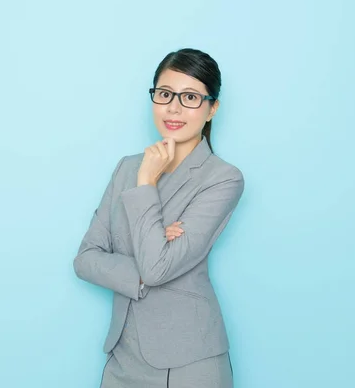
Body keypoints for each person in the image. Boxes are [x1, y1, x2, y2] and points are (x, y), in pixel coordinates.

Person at [73, 48, 244, 387]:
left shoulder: (223, 178)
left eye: (191, 97)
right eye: (165, 94)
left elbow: (157, 268)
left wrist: (146, 185)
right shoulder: (127, 168)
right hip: (123, 356)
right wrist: (149, 258)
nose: (174, 108)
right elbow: (85, 259)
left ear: (212, 109)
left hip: (189, 361)